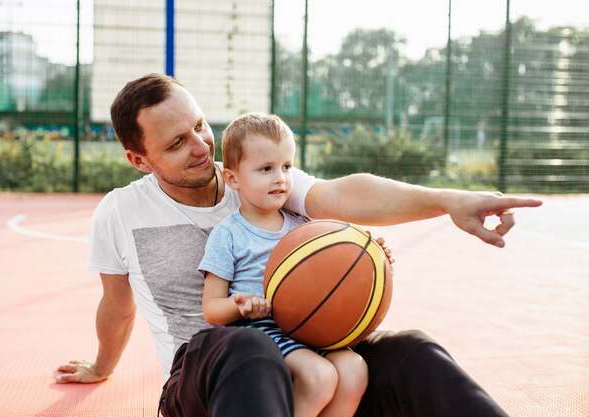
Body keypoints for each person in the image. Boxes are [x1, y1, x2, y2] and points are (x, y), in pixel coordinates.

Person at [55, 73, 542, 417]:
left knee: (413, 352)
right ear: (140, 159)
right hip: (209, 387)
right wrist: (101, 367)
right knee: (247, 345)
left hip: (316, 374)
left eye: (200, 125)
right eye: (177, 142)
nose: (202, 145)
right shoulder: (120, 214)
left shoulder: (267, 182)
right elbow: (117, 307)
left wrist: (448, 200)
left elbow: (344, 194)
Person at [199, 112, 387, 417]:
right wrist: (240, 305)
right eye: (266, 169)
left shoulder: (305, 227)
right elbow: (211, 309)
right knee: (319, 377)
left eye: (287, 167)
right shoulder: (228, 235)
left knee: (354, 370)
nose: (280, 178)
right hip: (260, 330)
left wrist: (373, 258)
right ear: (233, 178)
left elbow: (340, 268)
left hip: (310, 327)